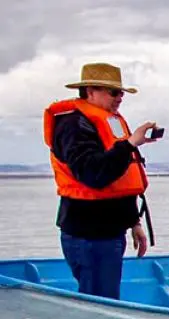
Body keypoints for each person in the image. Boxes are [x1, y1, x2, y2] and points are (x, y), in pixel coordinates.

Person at [44, 62, 160, 299]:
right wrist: (129, 145)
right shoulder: (74, 125)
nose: (120, 98)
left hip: (109, 231)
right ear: (90, 91)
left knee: (106, 297)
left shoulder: (109, 120)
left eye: (121, 93)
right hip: (88, 234)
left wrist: (133, 221)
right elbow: (92, 174)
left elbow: (118, 182)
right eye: (114, 92)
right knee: (100, 302)